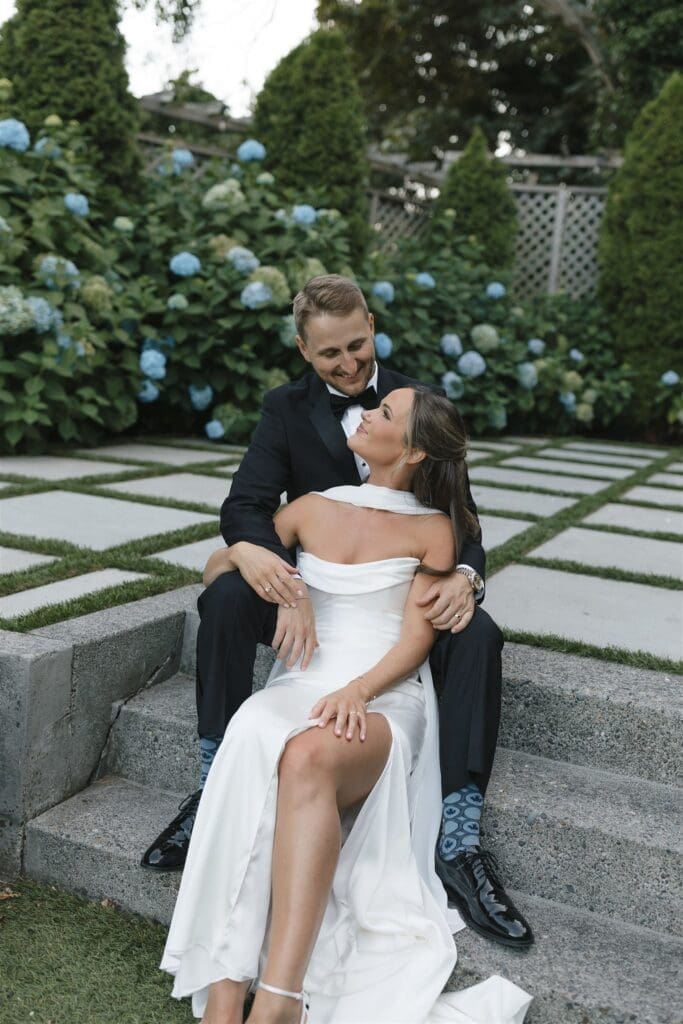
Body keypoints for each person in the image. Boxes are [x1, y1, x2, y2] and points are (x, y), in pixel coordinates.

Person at [142, 274, 533, 950]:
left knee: (479, 634)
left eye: (357, 345)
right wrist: (278, 577)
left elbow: (460, 511)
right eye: (330, 356)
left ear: (372, 324)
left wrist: (467, 574)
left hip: (398, 598)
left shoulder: (416, 401)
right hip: (313, 591)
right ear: (303, 351)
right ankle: (212, 786)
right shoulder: (283, 409)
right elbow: (245, 505)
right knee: (228, 594)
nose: (349, 365)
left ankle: (459, 837)